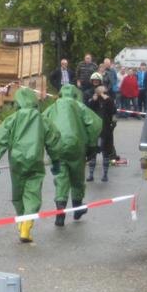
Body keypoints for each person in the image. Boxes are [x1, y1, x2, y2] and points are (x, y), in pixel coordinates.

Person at [0, 87, 61, 243]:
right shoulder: (42, 119)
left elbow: (0, 138)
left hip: (16, 161)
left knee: (18, 193)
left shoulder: (13, 118)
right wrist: (56, 160)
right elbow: (53, 140)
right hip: (35, 160)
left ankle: (21, 220)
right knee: (33, 194)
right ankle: (26, 227)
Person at [42, 84, 101, 226]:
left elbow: (41, 123)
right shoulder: (79, 106)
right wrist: (92, 145)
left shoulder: (52, 107)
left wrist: (46, 144)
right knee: (77, 178)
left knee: (61, 179)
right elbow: (95, 124)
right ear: (75, 95)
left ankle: (60, 213)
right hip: (76, 146)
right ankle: (77, 209)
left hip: (57, 147)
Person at [86, 85, 117, 182]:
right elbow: (88, 110)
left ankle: (105, 175)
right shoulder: (93, 100)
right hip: (95, 131)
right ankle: (91, 175)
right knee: (93, 153)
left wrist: (106, 99)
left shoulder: (108, 100)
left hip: (105, 130)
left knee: (105, 153)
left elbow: (113, 111)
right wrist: (93, 100)